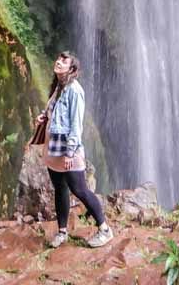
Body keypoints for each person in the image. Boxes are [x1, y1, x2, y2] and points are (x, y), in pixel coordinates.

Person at [36, 51, 113, 249]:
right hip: (54, 147)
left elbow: (76, 125)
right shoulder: (59, 87)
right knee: (60, 188)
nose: (58, 62)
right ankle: (62, 231)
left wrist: (70, 152)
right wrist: (44, 117)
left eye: (64, 61)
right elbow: (53, 110)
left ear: (72, 69)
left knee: (79, 189)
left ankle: (105, 229)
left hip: (68, 150)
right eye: (58, 59)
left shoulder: (75, 90)